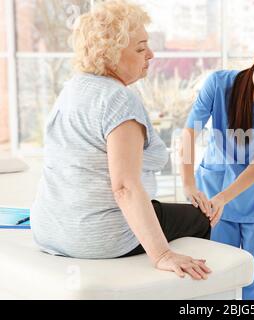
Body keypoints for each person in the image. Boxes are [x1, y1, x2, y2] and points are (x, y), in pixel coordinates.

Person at [30, 0, 211, 281]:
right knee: (199, 218)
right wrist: (162, 255)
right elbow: (125, 187)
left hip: (48, 230)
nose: (150, 54)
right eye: (140, 48)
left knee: (162, 210)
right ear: (109, 55)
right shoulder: (118, 99)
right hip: (97, 239)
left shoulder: (72, 88)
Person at [180, 36, 254, 299]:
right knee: (212, 273)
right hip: (212, 195)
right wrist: (189, 184)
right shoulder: (218, 84)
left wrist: (225, 197)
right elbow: (190, 133)